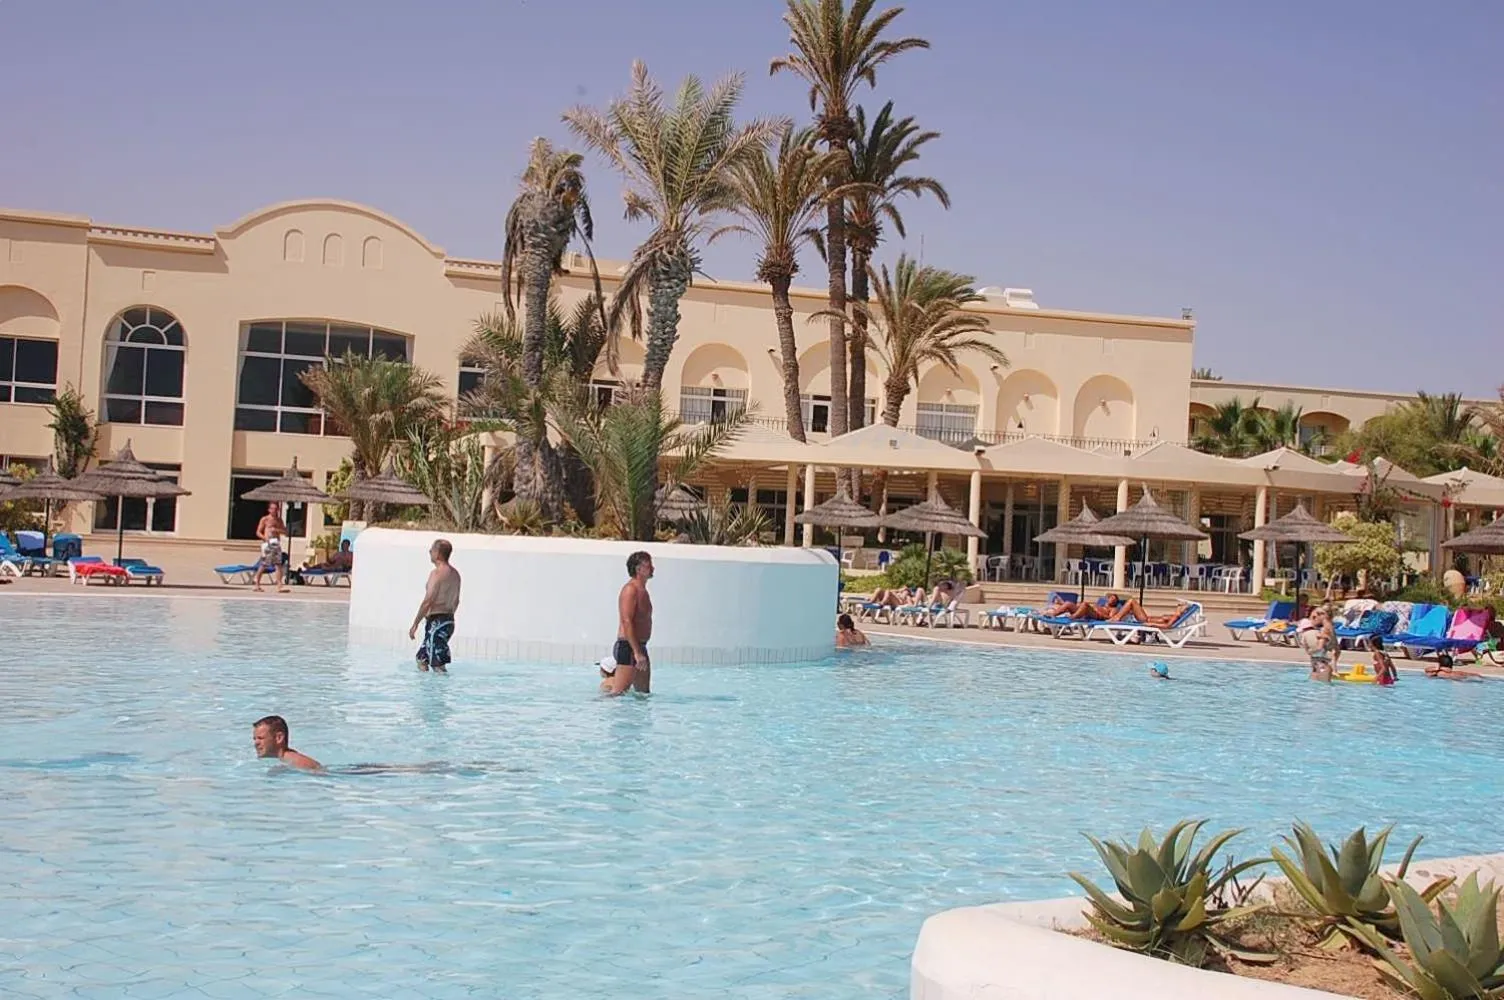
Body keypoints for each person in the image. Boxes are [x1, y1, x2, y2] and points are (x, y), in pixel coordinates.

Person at [605, 550, 654, 696]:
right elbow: (626, 621)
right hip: (629, 646)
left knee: (643, 695)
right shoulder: (630, 590)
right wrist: (637, 653)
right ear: (639, 569)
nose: (652, 568)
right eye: (649, 565)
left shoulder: (643, 591)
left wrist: (640, 650)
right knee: (618, 694)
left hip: (640, 646)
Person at [408, 538, 461, 673]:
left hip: (436, 623)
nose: (429, 551)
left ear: (437, 554)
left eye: (432, 549)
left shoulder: (436, 574)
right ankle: (427, 692)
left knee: (437, 665)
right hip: (448, 621)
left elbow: (428, 600)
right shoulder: (455, 575)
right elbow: (456, 601)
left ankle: (440, 692)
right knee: (422, 659)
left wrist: (415, 623)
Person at [252, 715, 321, 771]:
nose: (256, 743)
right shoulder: (285, 761)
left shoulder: (299, 763)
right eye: (255, 739)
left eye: (260, 738)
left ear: (279, 738)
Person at [252, 503, 289, 593]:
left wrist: (277, 530)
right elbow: (258, 532)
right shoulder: (265, 519)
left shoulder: (279, 520)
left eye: (276, 509)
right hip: (267, 544)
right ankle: (257, 584)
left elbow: (285, 532)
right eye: (273, 509)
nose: (275, 510)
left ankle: (280, 586)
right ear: (269, 510)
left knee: (278, 564)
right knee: (264, 564)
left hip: (276, 544)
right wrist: (265, 538)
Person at [1303, 608, 1335, 682]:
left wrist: (1310, 651)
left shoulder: (1324, 631)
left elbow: (1319, 648)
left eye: (1313, 617)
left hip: (1321, 665)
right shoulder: (1326, 629)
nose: (1312, 619)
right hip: (1320, 664)